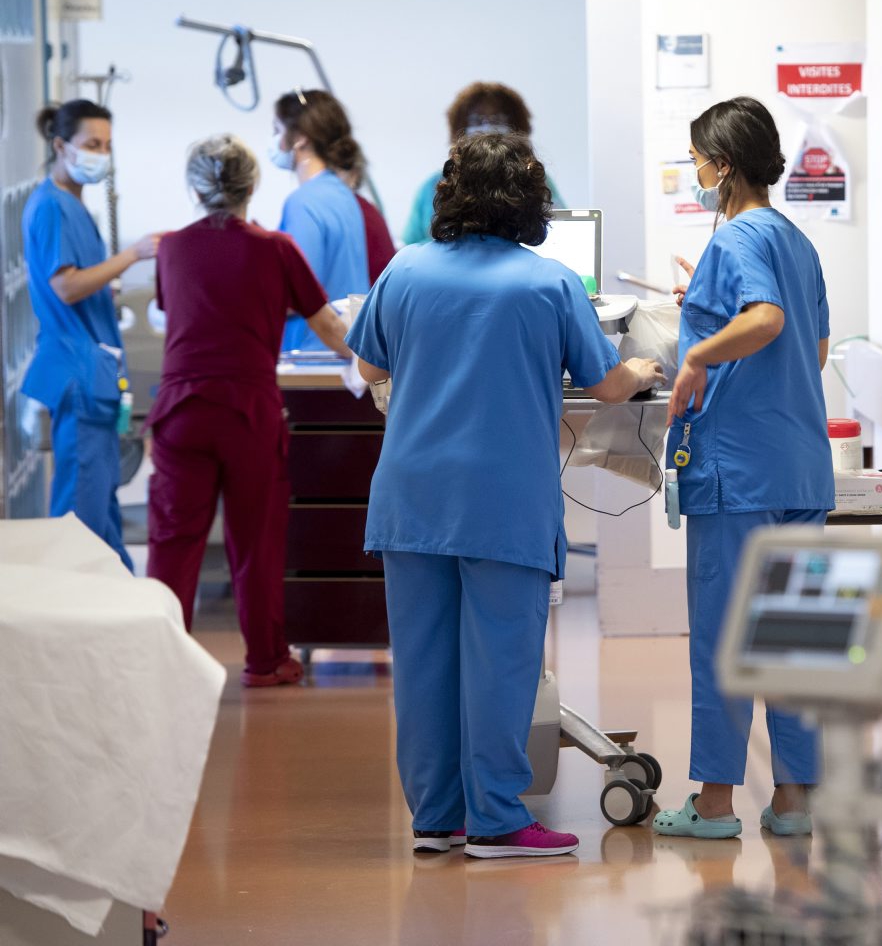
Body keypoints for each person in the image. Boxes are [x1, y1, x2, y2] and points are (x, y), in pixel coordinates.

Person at [347, 131, 664, 859]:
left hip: (411, 496)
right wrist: (642, 363)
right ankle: (496, 819)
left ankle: (437, 818)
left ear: (450, 193)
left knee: (424, 661)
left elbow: (368, 363)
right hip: (500, 498)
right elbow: (606, 384)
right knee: (502, 659)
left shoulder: (404, 270)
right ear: (530, 199)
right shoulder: (546, 282)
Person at [654, 96, 834, 840]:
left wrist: (697, 353)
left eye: (697, 159)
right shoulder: (793, 239)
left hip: (738, 473)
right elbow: (811, 351)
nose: (694, 172)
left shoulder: (735, 240)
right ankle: (794, 801)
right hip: (796, 465)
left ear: (722, 165)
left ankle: (716, 803)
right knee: (791, 638)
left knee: (726, 637)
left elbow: (764, 321)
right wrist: (702, 305)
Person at [146, 135, 353, 688]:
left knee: (173, 544)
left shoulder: (171, 249)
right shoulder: (278, 249)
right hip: (247, 415)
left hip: (181, 412)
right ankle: (265, 661)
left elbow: (176, 313)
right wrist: (384, 356)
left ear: (195, 186)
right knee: (256, 543)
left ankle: (164, 666)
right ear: (253, 185)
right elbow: (331, 329)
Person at [21, 100, 160, 569]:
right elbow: (66, 285)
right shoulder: (54, 207)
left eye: (107, 146)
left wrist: (110, 279)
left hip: (94, 372)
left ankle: (122, 610)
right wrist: (133, 254)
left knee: (101, 513)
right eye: (91, 145)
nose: (101, 154)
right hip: (78, 372)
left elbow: (84, 277)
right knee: (80, 521)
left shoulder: (73, 205)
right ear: (61, 146)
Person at [401, 82, 564, 246]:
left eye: (498, 118)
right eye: (477, 119)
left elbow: (561, 231)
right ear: (459, 128)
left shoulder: (535, 179)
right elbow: (410, 244)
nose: (487, 127)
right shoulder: (433, 187)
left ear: (518, 127)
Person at [268, 89, 368, 351]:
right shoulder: (344, 196)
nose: (274, 140)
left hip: (310, 355)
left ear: (300, 138)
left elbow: (294, 297)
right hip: (345, 352)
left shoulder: (303, 203)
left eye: (277, 130)